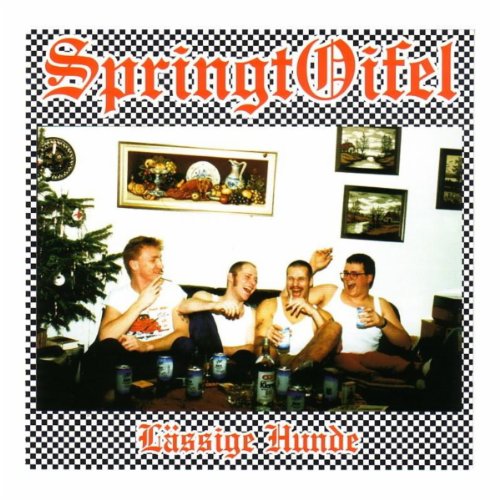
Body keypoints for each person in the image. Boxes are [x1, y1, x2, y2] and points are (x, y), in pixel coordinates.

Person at [79, 236, 193, 405]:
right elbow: (106, 337)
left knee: (185, 345)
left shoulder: (172, 291)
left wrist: (147, 346)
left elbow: (182, 333)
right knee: (104, 349)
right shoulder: (118, 295)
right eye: (153, 260)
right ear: (134, 265)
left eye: (160, 259)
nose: (161, 265)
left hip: (162, 358)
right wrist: (140, 304)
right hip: (129, 360)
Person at [309, 252, 425, 379]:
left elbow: (406, 343)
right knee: (341, 359)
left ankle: (421, 369)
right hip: (332, 359)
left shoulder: (380, 304)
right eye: (346, 273)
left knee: (383, 360)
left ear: (369, 278)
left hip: (368, 360)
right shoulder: (329, 293)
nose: (348, 278)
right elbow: (295, 299)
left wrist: (382, 323)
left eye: (354, 274)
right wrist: (312, 268)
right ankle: (372, 378)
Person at [255, 260, 341, 374]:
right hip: (274, 363)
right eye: (291, 279)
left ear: (310, 281)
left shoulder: (322, 314)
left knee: (334, 327)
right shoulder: (270, 305)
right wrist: (266, 337)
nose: (295, 284)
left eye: (301, 279)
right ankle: (280, 376)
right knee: (264, 343)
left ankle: (293, 374)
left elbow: (336, 348)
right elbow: (258, 343)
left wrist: (313, 312)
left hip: (304, 364)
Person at [177, 261, 258, 382]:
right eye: (247, 277)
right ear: (231, 277)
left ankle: (213, 359)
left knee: (245, 356)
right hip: (202, 363)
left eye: (255, 280)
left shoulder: (252, 313)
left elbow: (250, 348)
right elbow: (183, 307)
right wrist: (216, 305)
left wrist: (218, 353)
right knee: (200, 314)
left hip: (234, 366)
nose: (252, 283)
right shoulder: (206, 297)